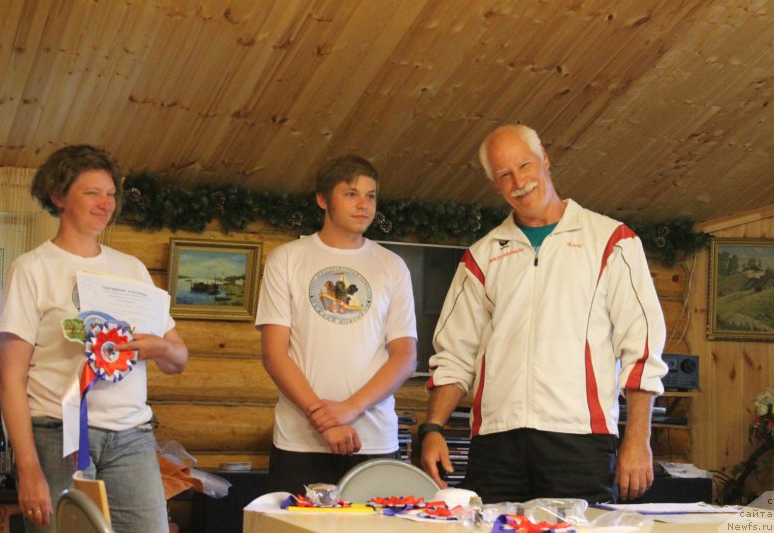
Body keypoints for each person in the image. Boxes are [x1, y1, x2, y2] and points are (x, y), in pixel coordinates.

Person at [420, 124, 668, 504]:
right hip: (495, 445)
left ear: (545, 160)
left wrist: (638, 439)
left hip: (579, 442)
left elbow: (642, 348)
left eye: (525, 165)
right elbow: (454, 355)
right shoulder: (481, 257)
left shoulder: (612, 241)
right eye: (505, 174)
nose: (519, 182)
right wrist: (433, 428)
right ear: (495, 184)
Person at [0, 145, 188, 532]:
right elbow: (10, 379)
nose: (106, 204)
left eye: (111, 194)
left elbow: (178, 359)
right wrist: (28, 469)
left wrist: (160, 347)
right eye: (92, 193)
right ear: (58, 196)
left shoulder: (132, 268)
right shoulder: (31, 269)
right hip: (57, 434)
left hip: (132, 436)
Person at [256, 155, 417, 494]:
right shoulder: (287, 258)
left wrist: (350, 409)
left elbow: (405, 356)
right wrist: (326, 421)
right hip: (301, 441)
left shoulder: (392, 266)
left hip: (373, 439)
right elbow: (274, 354)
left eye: (370, 196)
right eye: (351, 194)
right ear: (322, 199)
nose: (363, 205)